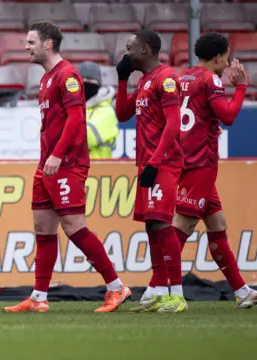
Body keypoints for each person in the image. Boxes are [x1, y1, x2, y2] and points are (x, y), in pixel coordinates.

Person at [3, 21, 130, 314]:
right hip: (47, 163)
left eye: (31, 42)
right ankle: (38, 297)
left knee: (74, 227)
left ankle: (116, 287)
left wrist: (58, 154)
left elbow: (75, 121)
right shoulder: (48, 78)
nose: (26, 48)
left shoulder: (68, 75)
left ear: (48, 44)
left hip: (66, 163)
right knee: (42, 227)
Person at [139, 33, 257, 309]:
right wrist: (240, 87)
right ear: (217, 57)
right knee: (181, 226)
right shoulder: (210, 79)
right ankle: (154, 289)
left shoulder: (184, 77)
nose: (228, 62)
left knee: (218, 225)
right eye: (226, 56)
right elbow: (227, 116)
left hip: (184, 160)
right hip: (200, 164)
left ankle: (241, 292)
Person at [115, 29, 186, 313]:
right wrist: (122, 79)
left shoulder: (166, 79)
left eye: (129, 47)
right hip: (148, 163)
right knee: (151, 226)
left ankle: (177, 295)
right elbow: (122, 114)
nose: (126, 53)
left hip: (164, 162)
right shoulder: (144, 81)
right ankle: (157, 293)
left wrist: (156, 162)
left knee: (161, 224)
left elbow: (173, 124)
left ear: (145, 49)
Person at [78, 61, 118, 159]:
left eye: (89, 78)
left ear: (98, 83)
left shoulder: (107, 111)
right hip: (72, 172)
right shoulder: (70, 108)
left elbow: (87, 138)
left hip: (98, 171)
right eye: (81, 79)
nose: (85, 81)